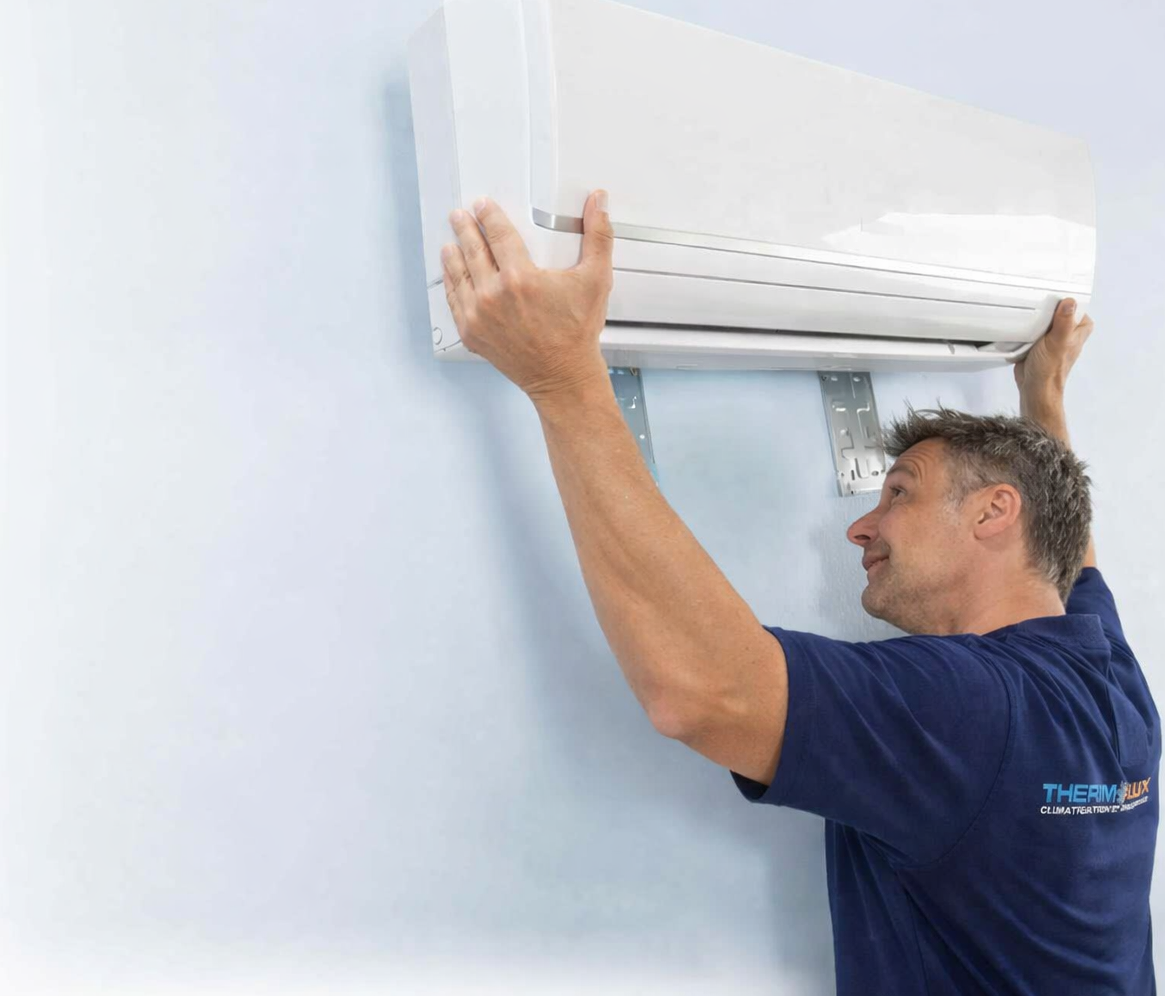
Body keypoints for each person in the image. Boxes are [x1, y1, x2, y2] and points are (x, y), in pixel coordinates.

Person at [438, 191, 1159, 995]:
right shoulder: (1111, 681)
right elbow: (1072, 549)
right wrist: (1044, 399)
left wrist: (562, 377)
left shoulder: (966, 710)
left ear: (996, 512)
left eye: (899, 493)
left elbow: (703, 693)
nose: (861, 527)